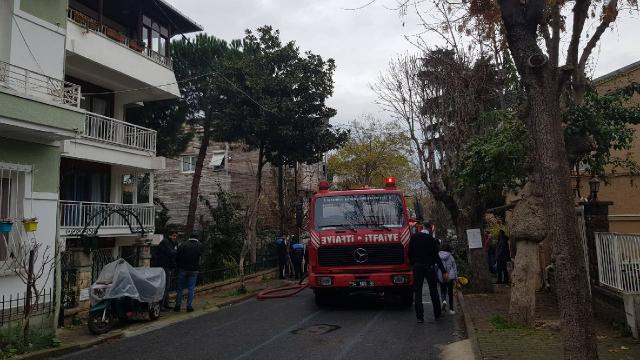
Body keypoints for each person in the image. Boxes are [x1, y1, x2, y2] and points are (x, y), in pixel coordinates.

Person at [408, 221, 448, 323]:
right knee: (433, 290)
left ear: (422, 228)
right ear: (430, 229)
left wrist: (414, 264)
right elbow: (436, 257)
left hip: (417, 267)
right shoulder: (431, 239)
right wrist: (443, 271)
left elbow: (409, 253)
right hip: (429, 267)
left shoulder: (414, 237)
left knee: (418, 292)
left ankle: (420, 317)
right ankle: (437, 314)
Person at [174, 233, 203, 312]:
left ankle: (177, 306)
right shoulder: (200, 245)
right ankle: (189, 306)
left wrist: (178, 265)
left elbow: (177, 256)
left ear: (189, 237)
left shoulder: (183, 244)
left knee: (180, 288)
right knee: (191, 289)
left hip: (183, 269)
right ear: (197, 238)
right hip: (194, 270)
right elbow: (201, 258)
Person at [156, 230, 178, 310]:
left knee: (168, 286)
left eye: (176, 236)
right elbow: (171, 253)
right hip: (164, 266)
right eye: (174, 236)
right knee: (165, 286)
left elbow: (173, 253)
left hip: (169, 266)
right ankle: (161, 305)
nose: (175, 238)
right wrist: (176, 251)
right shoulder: (165, 242)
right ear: (170, 236)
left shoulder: (173, 243)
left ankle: (166, 303)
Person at [437, 242, 458, 315]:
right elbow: (454, 267)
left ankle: (444, 301)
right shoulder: (451, 256)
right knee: (450, 292)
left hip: (441, 275)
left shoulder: (438, 255)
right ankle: (451, 309)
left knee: (443, 290)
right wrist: (456, 277)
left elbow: (436, 266)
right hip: (450, 276)